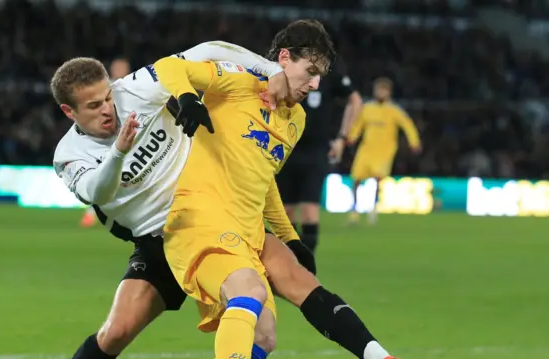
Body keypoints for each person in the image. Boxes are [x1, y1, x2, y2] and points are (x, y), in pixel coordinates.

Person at [52, 39, 394, 359]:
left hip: (217, 210)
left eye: (107, 97)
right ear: (70, 111)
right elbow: (97, 191)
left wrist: (271, 71)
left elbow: (211, 49)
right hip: (159, 238)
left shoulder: (135, 90)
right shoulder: (68, 155)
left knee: (268, 330)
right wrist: (119, 152)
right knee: (115, 333)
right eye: (94, 106)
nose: (108, 109)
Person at [153, 20, 394, 359]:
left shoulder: (295, 120)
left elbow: (264, 180)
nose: (314, 84)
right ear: (283, 58)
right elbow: (169, 66)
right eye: (309, 71)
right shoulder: (239, 83)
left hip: (248, 229)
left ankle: (380, 355)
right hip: (201, 219)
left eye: (320, 77)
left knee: (269, 331)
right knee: (250, 292)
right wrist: (189, 98)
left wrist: (289, 237)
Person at [276, 68, 363, 253]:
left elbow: (355, 100)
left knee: (309, 210)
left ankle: (307, 268)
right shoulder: (284, 63)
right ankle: (289, 269)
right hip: (285, 148)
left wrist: (342, 137)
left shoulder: (330, 69)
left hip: (316, 150)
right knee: (286, 213)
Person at [347, 77, 421, 225]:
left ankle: (373, 209)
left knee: (377, 180)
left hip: (384, 151)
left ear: (389, 93)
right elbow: (358, 125)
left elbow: (408, 125)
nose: (380, 92)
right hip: (366, 149)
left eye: (383, 90)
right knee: (356, 179)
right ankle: (355, 211)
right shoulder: (367, 108)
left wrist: (414, 142)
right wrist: (352, 137)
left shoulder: (394, 110)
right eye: (378, 89)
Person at [80, 56, 133, 228]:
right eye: (117, 67)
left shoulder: (132, 86)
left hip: (129, 137)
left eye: (122, 67)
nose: (119, 70)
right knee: (102, 174)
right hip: (106, 140)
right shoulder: (104, 88)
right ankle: (92, 212)